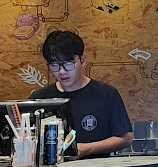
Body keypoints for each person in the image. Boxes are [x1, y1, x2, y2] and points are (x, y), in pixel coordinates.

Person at [29, 30, 134, 158]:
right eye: (55, 65)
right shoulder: (40, 98)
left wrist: (86, 149)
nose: (62, 72)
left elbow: (125, 137)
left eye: (68, 64)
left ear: (82, 60)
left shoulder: (106, 94)